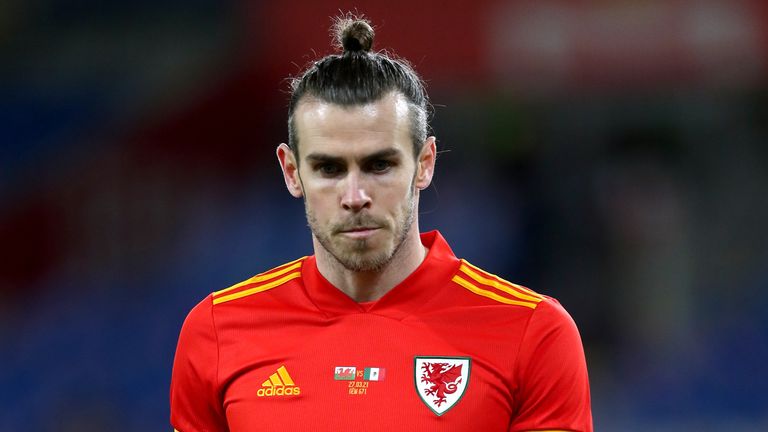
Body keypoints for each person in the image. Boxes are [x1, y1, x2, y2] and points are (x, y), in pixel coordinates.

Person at [170, 15, 592, 432]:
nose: (355, 197)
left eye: (379, 165)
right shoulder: (217, 332)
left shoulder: (532, 332)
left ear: (424, 164)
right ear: (292, 171)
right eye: (330, 169)